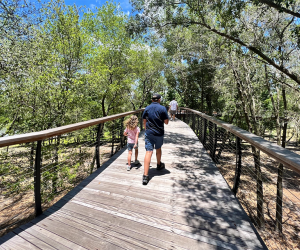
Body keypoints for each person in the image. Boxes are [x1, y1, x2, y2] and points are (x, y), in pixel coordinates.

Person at [142, 93, 169, 185]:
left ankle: (145, 176)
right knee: (158, 148)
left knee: (148, 152)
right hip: (159, 133)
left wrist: (147, 130)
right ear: (159, 100)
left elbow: (144, 121)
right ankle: (158, 165)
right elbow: (166, 122)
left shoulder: (147, 108)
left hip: (149, 133)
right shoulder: (162, 108)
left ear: (152, 100)